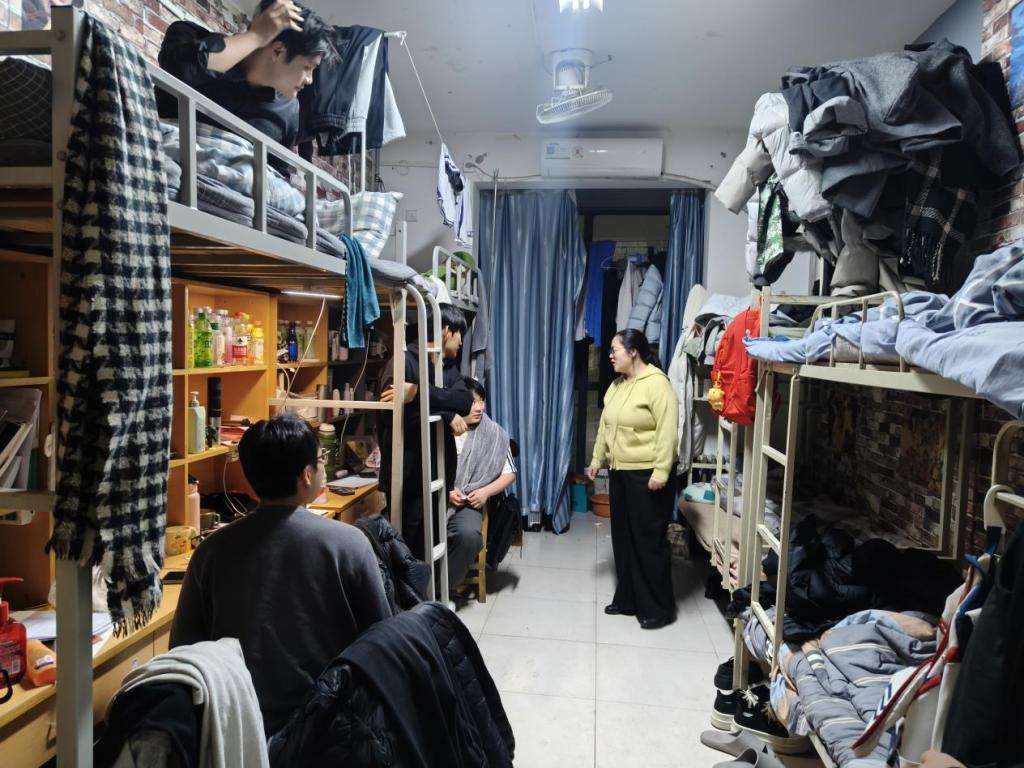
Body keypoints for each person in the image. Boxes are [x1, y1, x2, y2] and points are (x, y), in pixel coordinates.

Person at [170, 414, 391, 736]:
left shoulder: (211, 551)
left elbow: (183, 649)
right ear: (306, 475)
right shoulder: (349, 544)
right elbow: (382, 642)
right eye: (321, 459)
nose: (323, 466)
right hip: (330, 727)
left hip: (237, 729)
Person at [158, 0, 332, 174]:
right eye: (308, 67)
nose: (309, 80)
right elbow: (179, 70)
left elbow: (277, 175)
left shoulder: (290, 109)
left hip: (229, 189)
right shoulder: (189, 35)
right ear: (277, 51)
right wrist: (256, 36)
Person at [588, 329, 679, 630]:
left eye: (615, 350)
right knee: (624, 537)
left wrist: (661, 471)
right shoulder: (617, 385)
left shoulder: (657, 383)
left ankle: (658, 608)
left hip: (647, 474)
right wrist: (597, 460)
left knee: (648, 540)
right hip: (620, 471)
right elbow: (605, 426)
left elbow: (668, 430)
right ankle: (628, 598)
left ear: (633, 352)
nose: (610, 356)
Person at [378, 303, 473, 563]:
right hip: (408, 478)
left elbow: (465, 401)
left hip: (436, 474)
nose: (461, 342)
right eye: (460, 334)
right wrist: (446, 412)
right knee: (409, 552)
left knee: (429, 550)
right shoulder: (402, 362)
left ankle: (429, 589)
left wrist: (420, 393)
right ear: (445, 331)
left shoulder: (447, 367)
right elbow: (399, 419)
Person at [447, 377, 517, 593]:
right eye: (472, 402)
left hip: (468, 503)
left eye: (482, 401)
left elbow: (510, 473)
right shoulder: (440, 428)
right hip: (437, 499)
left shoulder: (494, 433)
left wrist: (485, 491)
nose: (479, 408)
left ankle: (442, 588)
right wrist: (447, 491)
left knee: (470, 536)